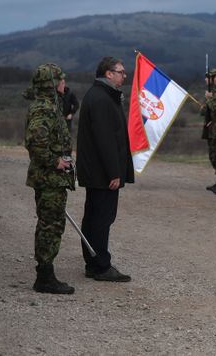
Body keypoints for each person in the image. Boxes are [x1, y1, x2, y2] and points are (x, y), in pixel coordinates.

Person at [76, 56, 134, 282]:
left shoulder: (102, 95)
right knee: (100, 218)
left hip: (97, 171)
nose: (124, 75)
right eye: (120, 71)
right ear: (108, 74)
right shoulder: (101, 99)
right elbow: (105, 140)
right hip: (102, 173)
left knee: (94, 216)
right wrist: (114, 172)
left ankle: (93, 262)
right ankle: (101, 266)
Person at [24, 63, 75, 294]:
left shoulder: (51, 106)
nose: (65, 83)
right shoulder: (44, 109)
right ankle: (45, 277)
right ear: (52, 84)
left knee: (52, 224)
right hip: (48, 179)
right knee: (50, 225)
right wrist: (55, 162)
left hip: (52, 179)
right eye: (61, 79)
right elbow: (35, 142)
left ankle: (45, 273)